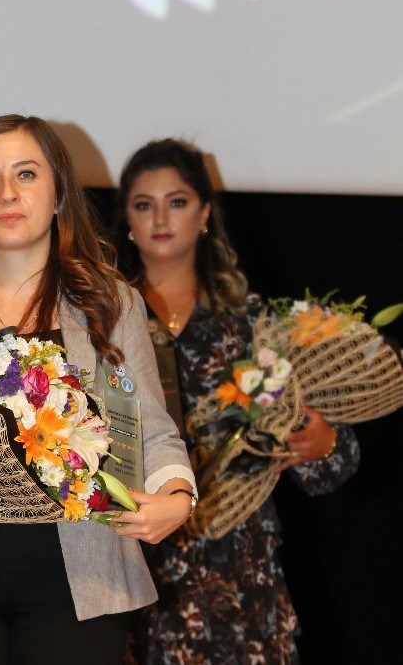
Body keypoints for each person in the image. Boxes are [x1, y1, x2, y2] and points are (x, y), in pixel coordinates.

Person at [0, 114, 198, 665]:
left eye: (26, 174)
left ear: (58, 195)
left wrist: (177, 497)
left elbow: (152, 429)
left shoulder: (110, 303)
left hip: (83, 585)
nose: (7, 193)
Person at [109, 137, 360, 664]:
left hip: (240, 577)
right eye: (144, 204)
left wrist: (323, 442)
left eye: (177, 202)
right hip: (134, 569)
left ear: (204, 213)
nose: (160, 218)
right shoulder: (100, 320)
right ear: (127, 219)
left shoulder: (253, 322)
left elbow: (330, 467)